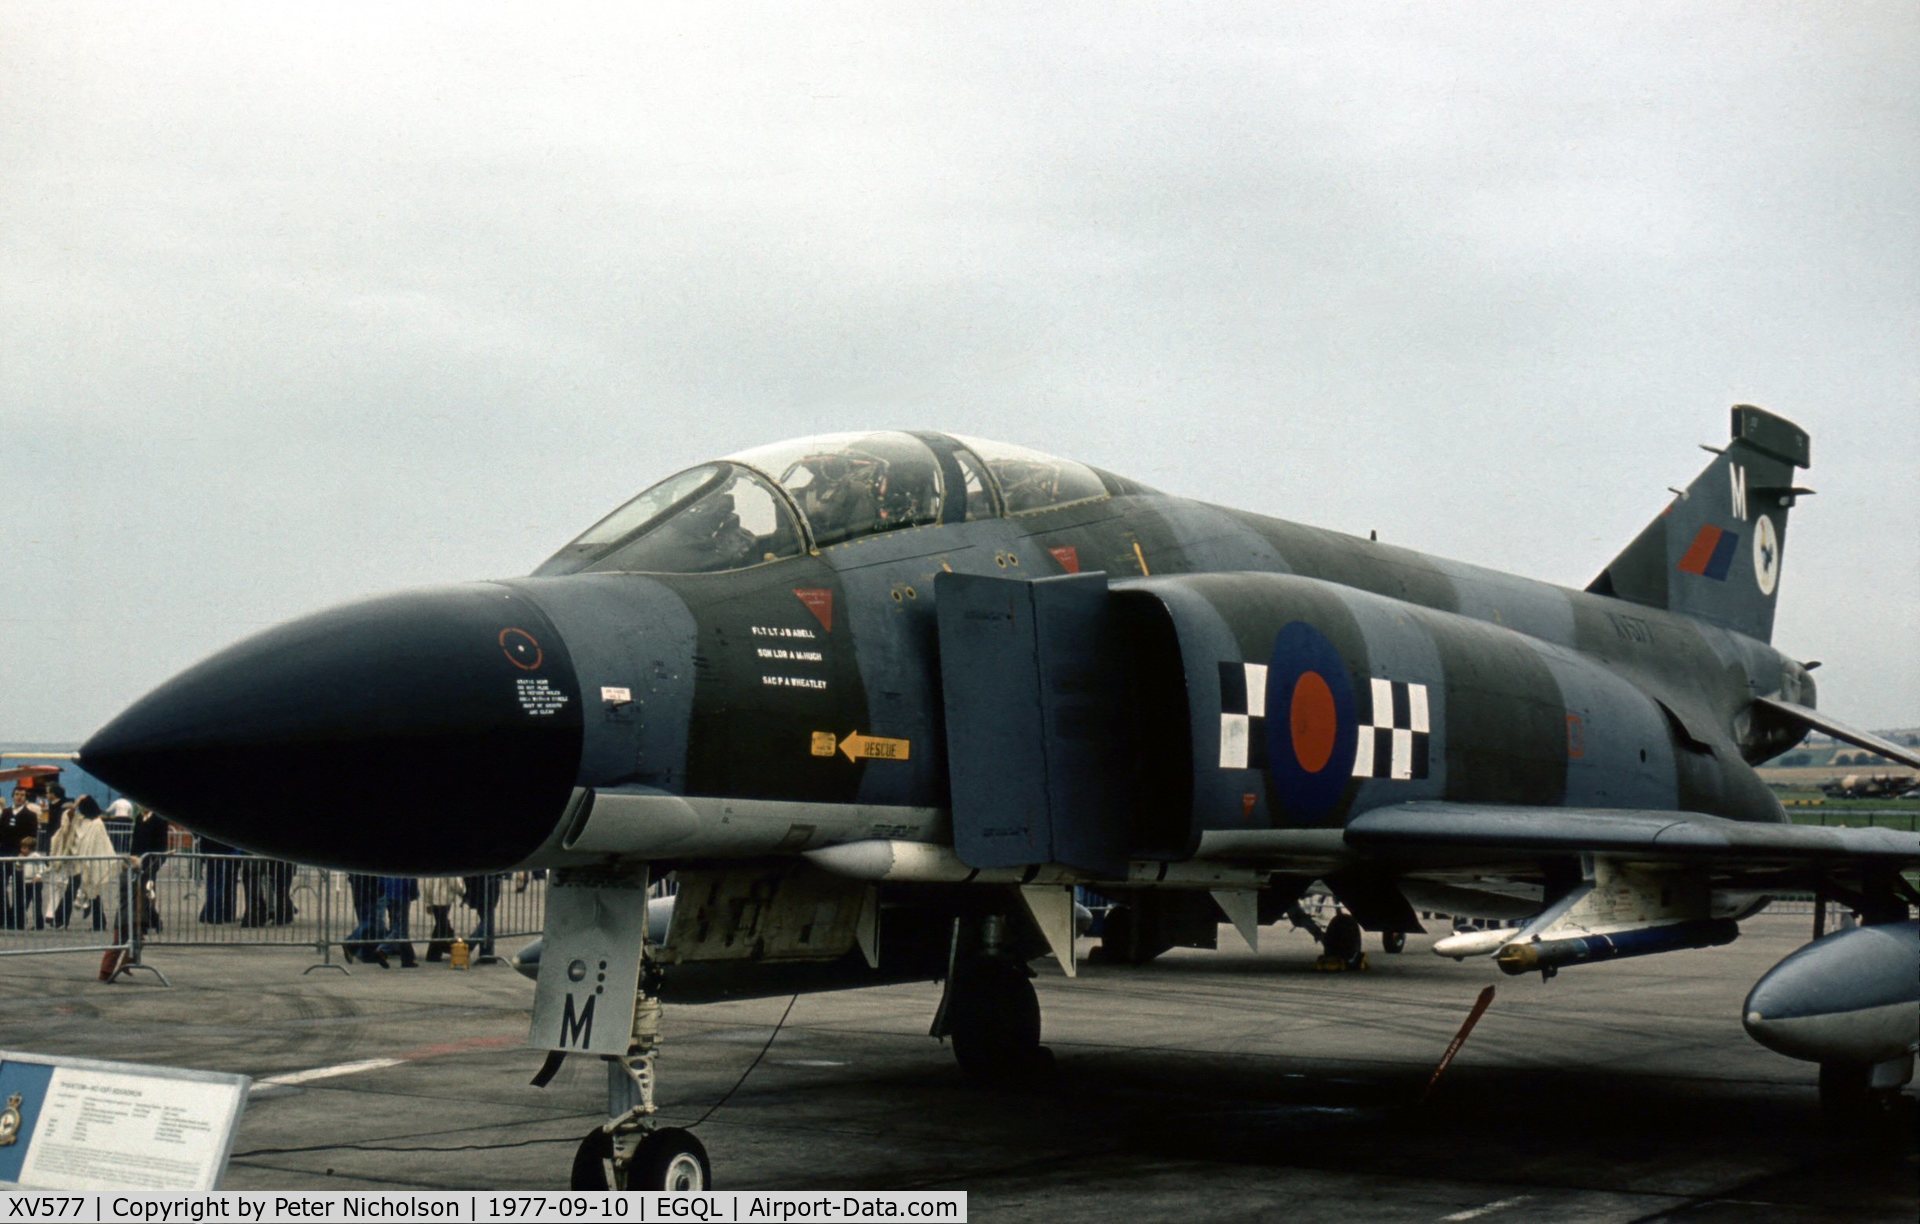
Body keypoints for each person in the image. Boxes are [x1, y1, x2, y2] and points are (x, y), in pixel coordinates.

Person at [68, 796, 117, 932]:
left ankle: (99, 922)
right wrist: (75, 804)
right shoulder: (83, 820)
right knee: (89, 894)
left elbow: (97, 843)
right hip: (82, 861)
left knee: (92, 894)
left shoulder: (97, 823)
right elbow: (68, 816)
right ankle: (98, 922)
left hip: (92, 861)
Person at [128, 807, 170, 934]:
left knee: (147, 893)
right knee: (138, 894)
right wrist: (132, 858)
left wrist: (157, 862)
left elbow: (162, 845)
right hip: (138, 861)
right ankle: (148, 921)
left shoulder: (159, 820)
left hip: (151, 862)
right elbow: (135, 841)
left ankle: (150, 921)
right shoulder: (139, 818)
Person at [0, 788, 36, 929]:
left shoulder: (30, 815)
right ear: (13, 796)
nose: (19, 797)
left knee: (19, 887)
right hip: (4, 853)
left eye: (22, 795)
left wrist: (26, 852)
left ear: (26, 798)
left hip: (20, 854)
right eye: (17, 794)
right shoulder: (6, 813)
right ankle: (3, 917)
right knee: (1, 886)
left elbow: (32, 835)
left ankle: (18, 920)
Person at [376, 875, 419, 968]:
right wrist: (414, 893)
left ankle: (407, 959)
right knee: (401, 928)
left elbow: (381, 877)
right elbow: (412, 877)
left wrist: (382, 888)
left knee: (397, 924)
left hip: (390, 892)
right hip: (402, 894)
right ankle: (383, 949)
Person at [197, 833, 239, 923]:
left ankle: (212, 913)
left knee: (214, 883)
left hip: (211, 848)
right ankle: (219, 914)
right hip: (226, 849)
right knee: (222, 884)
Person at [422, 875, 464, 961]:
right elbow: (455, 883)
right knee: (442, 926)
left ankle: (436, 953)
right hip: (445, 899)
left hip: (435, 900)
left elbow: (427, 886)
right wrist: (462, 892)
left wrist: (428, 902)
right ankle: (437, 952)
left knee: (441, 925)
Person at [16, 835, 46, 930]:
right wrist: (19, 862)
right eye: (21, 847)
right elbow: (18, 867)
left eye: (24, 848)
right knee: (23, 903)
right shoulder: (21, 857)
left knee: (37, 904)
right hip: (26, 882)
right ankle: (20, 923)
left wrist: (38, 875)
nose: (22, 850)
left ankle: (39, 924)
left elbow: (42, 867)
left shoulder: (35, 856)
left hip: (35, 883)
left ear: (31, 849)